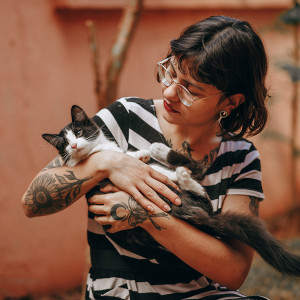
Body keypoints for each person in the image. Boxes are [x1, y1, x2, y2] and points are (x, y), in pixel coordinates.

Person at [22, 16, 270, 299]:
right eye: (171, 73)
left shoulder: (240, 157)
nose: (169, 92)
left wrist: (148, 215)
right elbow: (32, 203)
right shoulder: (125, 116)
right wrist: (108, 163)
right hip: (118, 291)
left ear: (230, 102)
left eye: (191, 90)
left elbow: (234, 272)